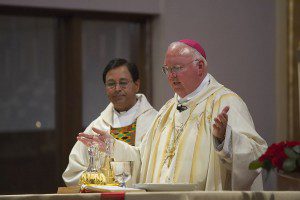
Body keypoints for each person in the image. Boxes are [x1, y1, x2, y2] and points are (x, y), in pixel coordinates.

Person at [78, 39, 268, 190]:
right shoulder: (167, 110)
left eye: (177, 68)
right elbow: (143, 158)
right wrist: (113, 146)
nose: (171, 76)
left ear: (200, 67)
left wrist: (225, 139)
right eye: (167, 70)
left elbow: (257, 157)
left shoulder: (225, 102)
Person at [62, 58, 158, 186]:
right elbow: (72, 174)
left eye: (123, 82)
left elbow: (157, 168)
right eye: (111, 84)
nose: (117, 88)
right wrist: (100, 179)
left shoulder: (155, 122)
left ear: (137, 85)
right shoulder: (97, 127)